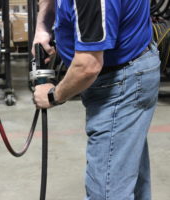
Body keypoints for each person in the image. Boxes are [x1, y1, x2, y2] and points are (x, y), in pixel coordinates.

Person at [32, 0, 161, 199]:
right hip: (122, 70)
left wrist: (53, 95)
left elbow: (88, 66)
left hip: (121, 82)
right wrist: (43, 27)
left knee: (108, 192)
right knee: (127, 177)